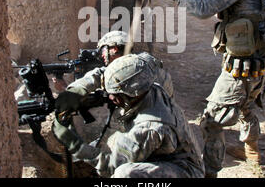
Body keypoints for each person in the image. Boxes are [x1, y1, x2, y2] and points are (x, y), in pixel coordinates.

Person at [156, 0, 265, 177]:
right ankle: (253, 152)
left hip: (241, 67)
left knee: (211, 121)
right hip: (259, 63)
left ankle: (209, 173)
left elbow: (202, 9)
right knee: (246, 108)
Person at [52, 54, 205, 178]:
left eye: (115, 95)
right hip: (162, 152)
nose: (110, 97)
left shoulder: (150, 128)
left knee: (124, 175)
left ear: (131, 95)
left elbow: (109, 165)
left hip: (184, 170)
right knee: (106, 142)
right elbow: (107, 74)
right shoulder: (143, 75)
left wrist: (72, 142)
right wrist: (75, 92)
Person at [54, 30, 174, 111]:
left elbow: (96, 78)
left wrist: (67, 92)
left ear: (114, 49)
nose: (101, 56)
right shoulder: (145, 61)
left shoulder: (129, 71)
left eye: (103, 50)